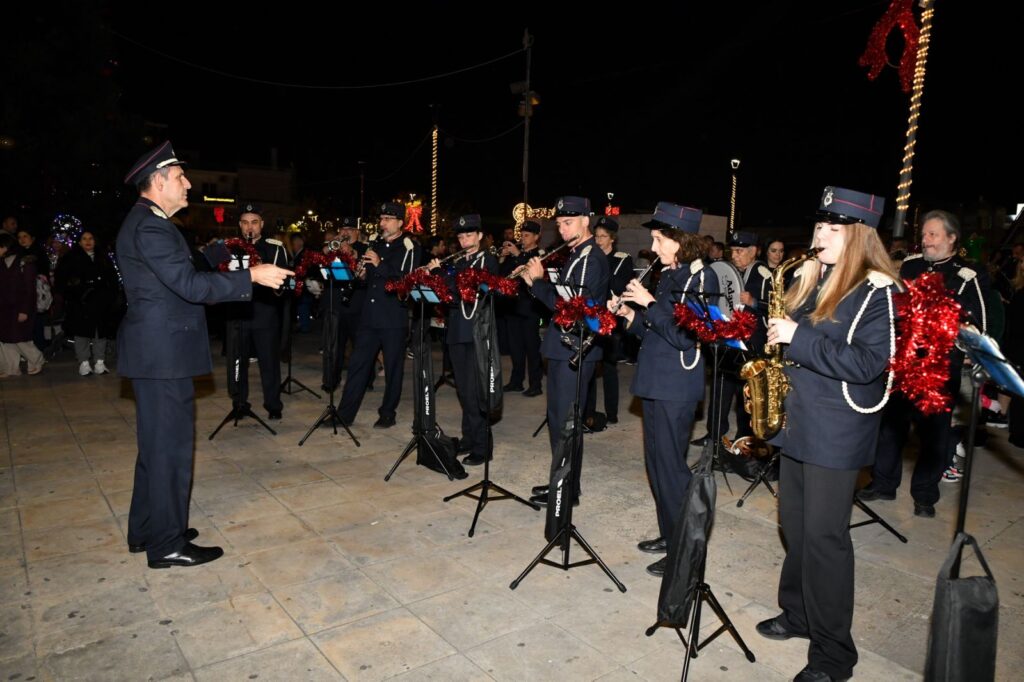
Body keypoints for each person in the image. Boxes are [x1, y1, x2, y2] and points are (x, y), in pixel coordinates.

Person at [117, 142, 291, 569]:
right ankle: (167, 545)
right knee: (171, 450)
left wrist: (215, 256)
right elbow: (191, 287)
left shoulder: (148, 222)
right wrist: (252, 276)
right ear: (159, 181)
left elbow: (184, 270)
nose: (189, 184)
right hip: (164, 355)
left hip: (156, 352)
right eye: (180, 177)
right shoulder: (152, 227)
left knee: (155, 448)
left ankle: (147, 529)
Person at [756, 186, 899, 682]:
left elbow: (868, 364)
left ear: (859, 235)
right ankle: (797, 614)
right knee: (795, 528)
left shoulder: (878, 290)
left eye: (832, 229)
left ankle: (834, 657)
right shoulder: (811, 278)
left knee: (824, 540)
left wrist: (798, 336)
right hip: (799, 422)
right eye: (819, 226)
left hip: (836, 432)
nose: (820, 236)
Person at [859, 209, 990, 517]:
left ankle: (925, 494)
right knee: (891, 427)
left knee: (935, 434)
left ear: (951, 238)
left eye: (933, 234)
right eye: (924, 234)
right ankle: (883, 483)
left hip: (940, 367)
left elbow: (980, 321)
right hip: (904, 361)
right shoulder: (912, 265)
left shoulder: (968, 274)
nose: (926, 240)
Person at [612, 202, 717, 577]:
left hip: (677, 384)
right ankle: (670, 534)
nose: (653, 248)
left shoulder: (701, 278)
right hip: (656, 379)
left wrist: (650, 303)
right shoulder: (671, 274)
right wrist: (630, 315)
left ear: (680, 240)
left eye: (659, 240)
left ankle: (685, 548)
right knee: (656, 465)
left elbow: (684, 337)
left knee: (672, 469)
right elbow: (655, 330)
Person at [520, 196, 609, 505]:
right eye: (559, 224)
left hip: (575, 348)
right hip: (562, 347)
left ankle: (566, 490)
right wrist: (538, 282)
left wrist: (537, 283)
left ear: (586, 221)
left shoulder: (591, 258)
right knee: (558, 420)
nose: (562, 229)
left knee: (567, 422)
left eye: (568, 222)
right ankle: (561, 482)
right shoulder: (576, 254)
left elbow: (573, 309)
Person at [337, 201, 420, 429]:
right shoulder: (376, 244)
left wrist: (379, 263)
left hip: (393, 318)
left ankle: (387, 413)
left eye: (388, 219)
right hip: (369, 315)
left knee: (393, 368)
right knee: (358, 366)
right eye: (381, 219)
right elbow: (371, 281)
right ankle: (344, 414)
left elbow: (405, 280)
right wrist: (362, 275)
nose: (382, 223)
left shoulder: (409, 247)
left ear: (400, 223)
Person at [428, 214, 499, 465]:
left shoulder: (487, 261)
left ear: (479, 236)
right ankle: (469, 438)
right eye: (460, 237)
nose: (465, 240)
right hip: (457, 331)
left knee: (474, 392)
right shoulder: (459, 261)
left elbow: (465, 291)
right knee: (463, 391)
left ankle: (483, 446)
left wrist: (440, 274)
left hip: (475, 333)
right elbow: (449, 296)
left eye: (469, 235)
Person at [695, 230, 770, 447]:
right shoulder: (730, 271)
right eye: (733, 251)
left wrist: (754, 303)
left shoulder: (763, 274)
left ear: (753, 251)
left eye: (739, 251)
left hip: (751, 342)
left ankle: (744, 440)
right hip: (729, 339)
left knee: (745, 394)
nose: (735, 256)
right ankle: (714, 434)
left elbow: (777, 308)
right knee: (720, 387)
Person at [220, 203, 288, 420]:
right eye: (245, 223)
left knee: (269, 362)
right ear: (240, 225)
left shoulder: (274, 248)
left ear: (262, 224)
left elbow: (283, 284)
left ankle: (273, 405)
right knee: (237, 361)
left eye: (254, 222)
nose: (250, 227)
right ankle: (239, 402)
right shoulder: (230, 247)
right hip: (237, 313)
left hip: (264, 313)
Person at [584, 215, 633, 425]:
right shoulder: (590, 257)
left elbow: (619, 287)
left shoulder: (622, 259)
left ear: (612, 238)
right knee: (589, 366)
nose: (598, 240)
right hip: (592, 315)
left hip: (611, 319)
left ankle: (611, 413)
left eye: (603, 236)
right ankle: (589, 412)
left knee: (609, 366)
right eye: (596, 236)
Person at [53, 231, 121, 376]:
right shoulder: (71, 258)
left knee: (100, 332)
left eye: (90, 238)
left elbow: (113, 279)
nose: (88, 241)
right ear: (79, 242)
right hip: (80, 302)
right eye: (84, 239)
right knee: (81, 334)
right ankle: (84, 362)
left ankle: (99, 362)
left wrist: (110, 296)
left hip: (100, 301)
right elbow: (61, 280)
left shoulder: (103, 258)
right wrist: (74, 292)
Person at [322, 217, 367, 393]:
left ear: (357, 232)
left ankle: (365, 380)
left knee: (360, 345)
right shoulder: (333, 245)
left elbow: (366, 272)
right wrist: (331, 246)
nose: (345, 232)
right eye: (343, 229)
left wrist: (351, 251)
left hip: (356, 303)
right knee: (333, 345)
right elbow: (320, 257)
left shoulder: (364, 248)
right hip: (334, 302)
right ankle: (331, 380)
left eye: (350, 229)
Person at [500, 220, 545, 396]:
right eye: (522, 235)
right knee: (515, 348)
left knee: (532, 349)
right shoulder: (515, 255)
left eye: (527, 235)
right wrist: (503, 257)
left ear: (536, 237)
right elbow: (503, 276)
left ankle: (536, 385)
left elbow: (529, 272)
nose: (523, 238)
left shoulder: (539, 255)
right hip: (513, 307)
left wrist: (518, 254)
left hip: (530, 309)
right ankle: (516, 381)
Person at [0, 232, 45, 376]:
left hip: (20, 307)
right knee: (6, 340)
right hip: (5, 308)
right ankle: (10, 368)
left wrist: (24, 310)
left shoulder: (24, 262)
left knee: (21, 339)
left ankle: (36, 360)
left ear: (5, 247)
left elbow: (29, 290)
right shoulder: (2, 262)